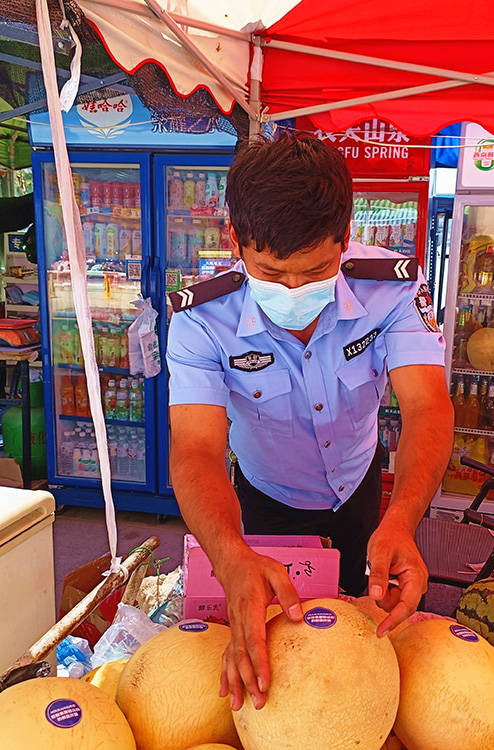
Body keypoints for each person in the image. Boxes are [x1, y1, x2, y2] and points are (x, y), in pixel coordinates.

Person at [165, 134, 452, 712]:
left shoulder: (391, 287)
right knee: (281, 658)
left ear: (344, 241)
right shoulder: (201, 319)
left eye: (317, 270)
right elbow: (196, 449)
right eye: (271, 272)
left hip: (361, 490)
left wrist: (404, 519)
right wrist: (229, 555)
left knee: (360, 645)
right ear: (235, 244)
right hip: (264, 499)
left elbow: (428, 407)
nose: (295, 289)